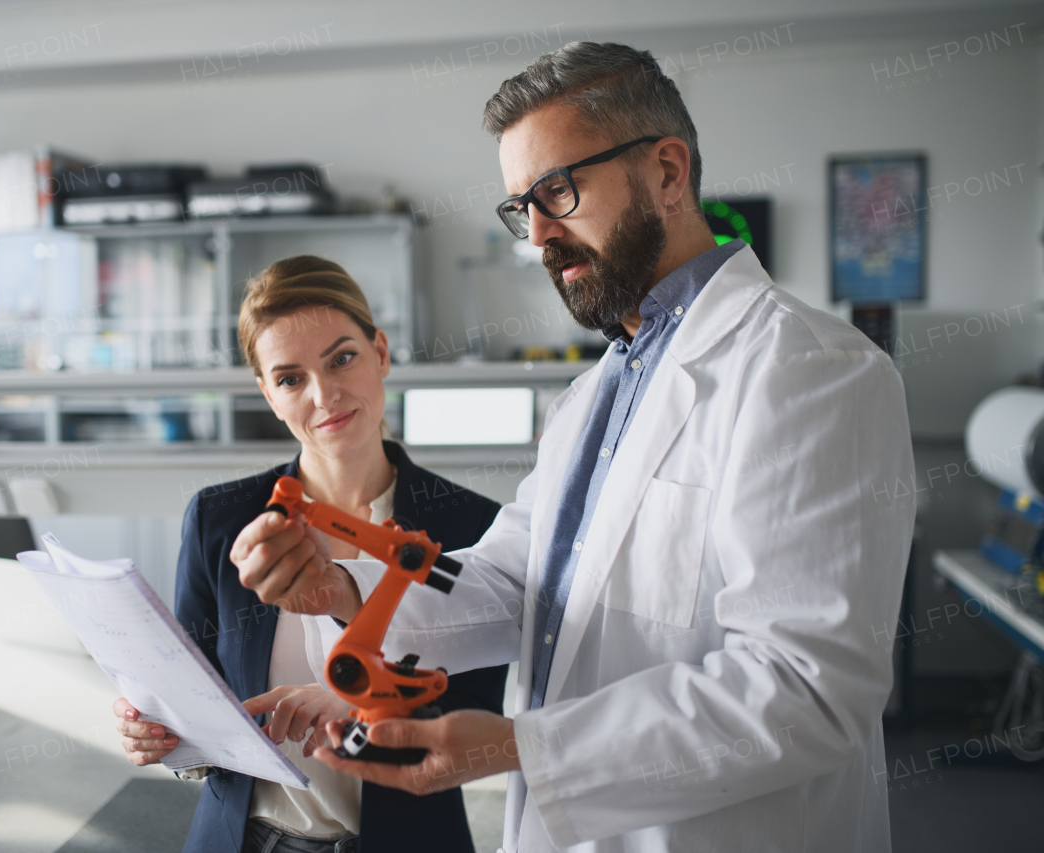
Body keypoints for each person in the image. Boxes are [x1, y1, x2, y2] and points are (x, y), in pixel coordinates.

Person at [231, 42, 916, 853]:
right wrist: (342, 587)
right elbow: (513, 582)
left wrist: (519, 746)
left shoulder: (809, 369)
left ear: (668, 171)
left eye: (558, 190)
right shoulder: (594, 394)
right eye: (521, 206)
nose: (540, 235)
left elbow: (808, 690)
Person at [113, 255, 509, 853]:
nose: (324, 395)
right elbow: (194, 696)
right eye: (291, 378)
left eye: (342, 358)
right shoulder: (221, 520)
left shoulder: (472, 525)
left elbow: (485, 719)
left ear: (380, 352)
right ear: (269, 394)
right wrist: (157, 732)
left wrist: (367, 705)